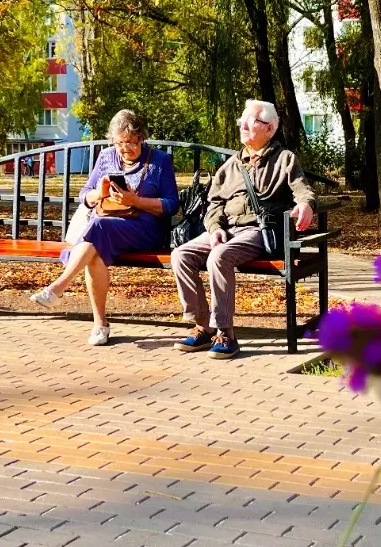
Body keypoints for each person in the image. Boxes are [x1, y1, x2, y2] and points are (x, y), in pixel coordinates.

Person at [170, 100, 315, 360]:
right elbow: (214, 202)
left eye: (251, 121)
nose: (244, 125)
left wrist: (306, 205)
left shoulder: (285, 160)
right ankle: (203, 326)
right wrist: (214, 227)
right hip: (227, 230)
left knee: (219, 257)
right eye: (243, 121)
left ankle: (226, 333)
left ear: (269, 128)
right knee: (181, 255)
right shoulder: (230, 166)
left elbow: (302, 190)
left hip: (257, 231)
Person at [30, 110, 178, 345]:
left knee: (98, 228)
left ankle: (58, 287)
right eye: (119, 143)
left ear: (141, 138)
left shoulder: (159, 161)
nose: (124, 149)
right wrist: (99, 193)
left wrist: (136, 201)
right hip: (107, 226)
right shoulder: (107, 157)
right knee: (94, 252)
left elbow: (171, 204)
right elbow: (84, 195)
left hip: (146, 228)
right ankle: (100, 325)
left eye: (130, 142)